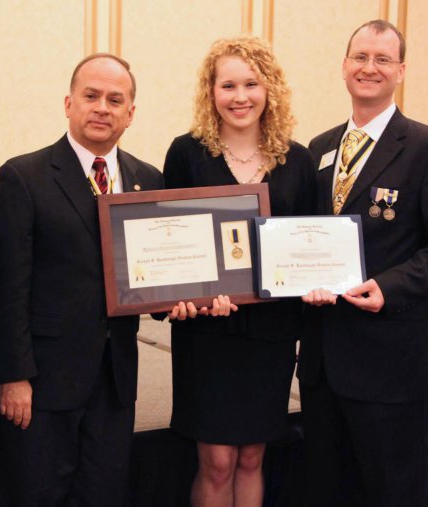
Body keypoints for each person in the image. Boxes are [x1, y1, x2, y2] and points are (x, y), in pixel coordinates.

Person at [299, 20, 428, 507]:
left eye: (382, 59)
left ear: (400, 71)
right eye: (360, 57)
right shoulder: (318, 149)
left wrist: (391, 285)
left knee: (392, 492)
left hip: (390, 364)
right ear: (344, 66)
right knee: (326, 490)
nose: (369, 68)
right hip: (322, 362)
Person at [0, 53, 164, 507]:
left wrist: (187, 298)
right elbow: (8, 289)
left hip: (115, 380)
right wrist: (13, 376)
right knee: (35, 495)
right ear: (69, 103)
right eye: (91, 96)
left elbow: (157, 276)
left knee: (103, 493)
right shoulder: (23, 177)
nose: (102, 107)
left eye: (114, 99)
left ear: (131, 113)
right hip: (41, 383)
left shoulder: (148, 180)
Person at [162, 36, 317, 507]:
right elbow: (171, 241)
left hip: (271, 332)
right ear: (211, 92)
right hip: (208, 334)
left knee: (251, 457)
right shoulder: (186, 153)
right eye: (228, 85)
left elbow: (308, 246)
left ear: (270, 89)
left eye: (251, 83)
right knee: (217, 461)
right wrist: (183, 296)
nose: (240, 96)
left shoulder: (298, 159)